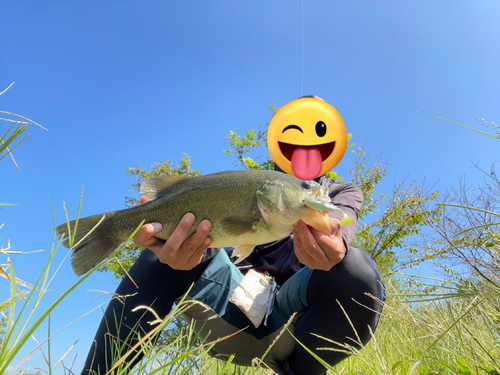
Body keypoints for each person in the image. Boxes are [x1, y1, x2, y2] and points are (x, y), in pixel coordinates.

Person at [81, 167, 385, 375]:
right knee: (157, 258)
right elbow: (218, 237)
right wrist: (184, 254)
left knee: (356, 269)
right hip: (233, 312)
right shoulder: (255, 184)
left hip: (295, 322)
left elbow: (342, 219)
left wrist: (336, 242)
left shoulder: (339, 191)